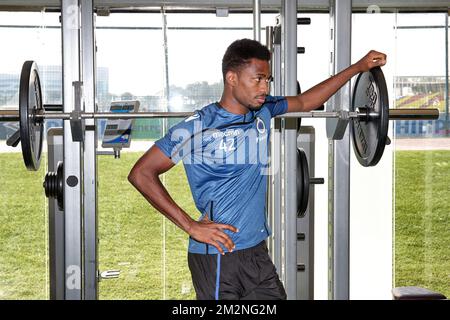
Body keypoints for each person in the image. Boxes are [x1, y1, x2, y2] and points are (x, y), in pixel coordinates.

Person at [128, 38, 386, 300]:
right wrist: (191, 226)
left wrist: (357, 67)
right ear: (232, 78)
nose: (265, 87)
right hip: (219, 255)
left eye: (268, 80)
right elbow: (141, 173)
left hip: (256, 253)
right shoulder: (199, 125)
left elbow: (306, 101)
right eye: (258, 79)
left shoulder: (262, 110)